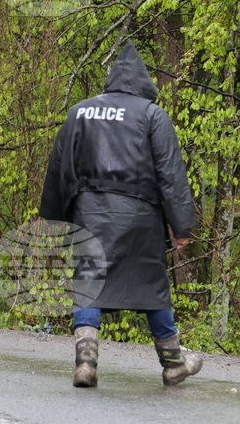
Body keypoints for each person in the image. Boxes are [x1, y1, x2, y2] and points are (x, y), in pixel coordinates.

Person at [39, 41, 202, 388]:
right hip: (139, 216)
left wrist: (53, 216)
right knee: (152, 286)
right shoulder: (151, 115)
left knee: (88, 282)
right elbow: (170, 173)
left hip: (90, 212)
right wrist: (181, 224)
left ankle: (85, 362)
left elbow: (58, 167)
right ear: (143, 83)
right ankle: (173, 364)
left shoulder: (79, 112)